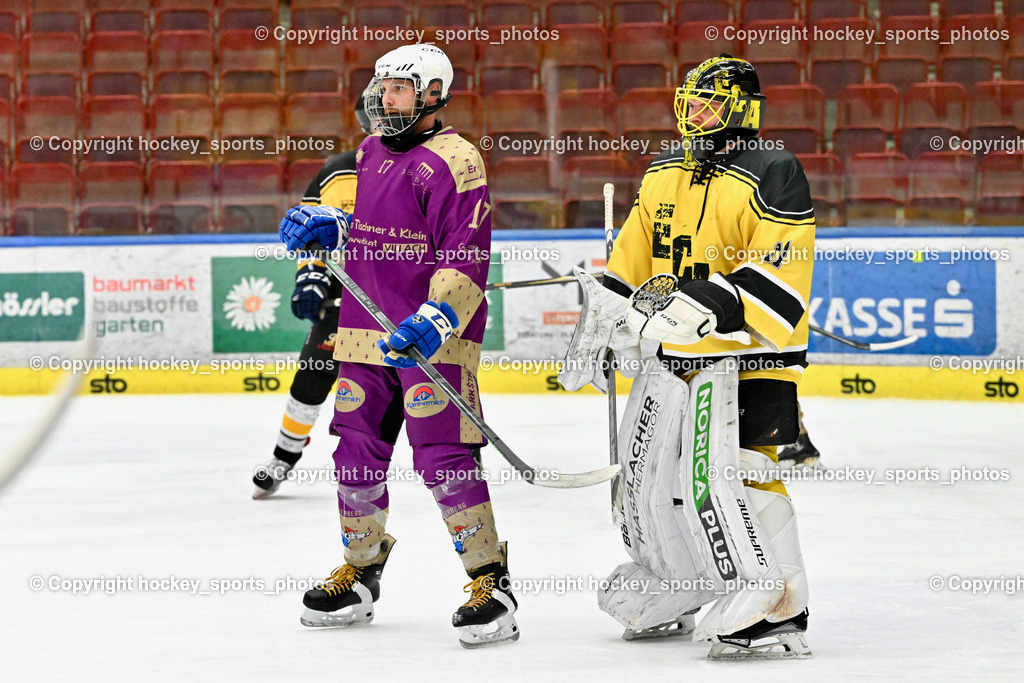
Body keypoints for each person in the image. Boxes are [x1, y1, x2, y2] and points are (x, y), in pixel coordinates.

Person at [561, 55, 813, 659]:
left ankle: (780, 599)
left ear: (743, 107)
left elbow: (781, 263)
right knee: (650, 478)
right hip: (669, 355)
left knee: (740, 475)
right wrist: (603, 321)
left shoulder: (773, 169)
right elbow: (632, 260)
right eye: (690, 102)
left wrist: (714, 300)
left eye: (709, 102)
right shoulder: (663, 172)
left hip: (750, 358)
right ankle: (680, 579)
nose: (694, 114)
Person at [278, 44, 518, 648]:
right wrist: (328, 228)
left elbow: (465, 252)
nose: (386, 98)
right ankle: (360, 570)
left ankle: (492, 581)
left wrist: (437, 319)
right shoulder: (367, 151)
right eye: (381, 87)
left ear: (434, 94)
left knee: (444, 456)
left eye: (400, 88)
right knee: (355, 453)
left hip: (433, 336)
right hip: (363, 330)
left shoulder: (457, 160)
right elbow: (368, 229)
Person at [252, 96, 373, 500]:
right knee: (315, 372)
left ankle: (461, 457)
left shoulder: (423, 168)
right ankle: (284, 456)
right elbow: (310, 235)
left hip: (407, 292)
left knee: (432, 376)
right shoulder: (336, 172)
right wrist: (310, 279)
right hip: (347, 294)